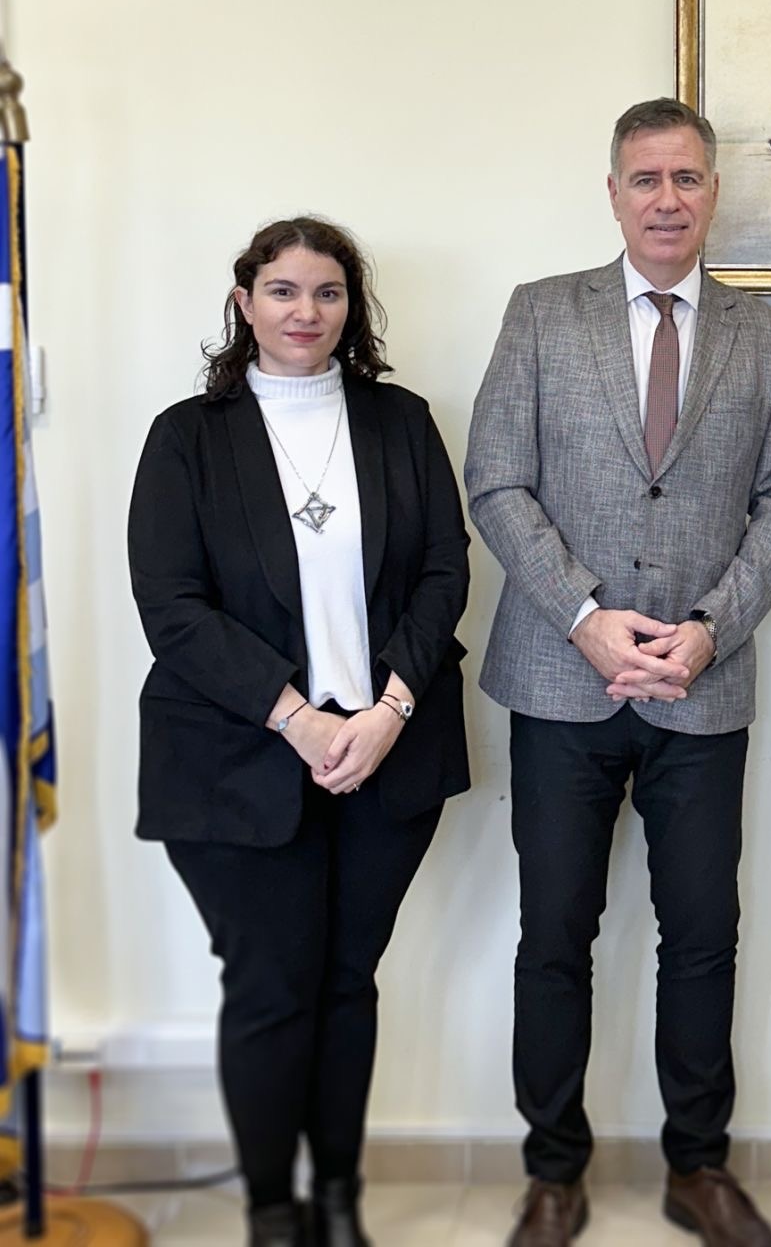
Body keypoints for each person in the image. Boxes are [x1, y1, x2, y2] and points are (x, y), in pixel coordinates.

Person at [465, 98, 771, 1247]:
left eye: (687, 178)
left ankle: (697, 1167)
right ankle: (552, 1172)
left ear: (713, 191)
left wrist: (711, 628)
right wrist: (581, 617)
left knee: (703, 934)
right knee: (554, 934)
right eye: (646, 179)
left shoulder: (767, 336)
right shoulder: (541, 314)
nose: (667, 199)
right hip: (560, 682)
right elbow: (496, 480)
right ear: (613, 193)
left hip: (702, 686)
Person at [128, 218, 471, 1247]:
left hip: (386, 751)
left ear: (350, 307)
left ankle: (338, 1203)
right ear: (244, 303)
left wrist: (386, 711)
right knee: (272, 989)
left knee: (347, 984)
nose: (305, 311)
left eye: (327, 292)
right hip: (236, 759)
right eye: (282, 290)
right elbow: (171, 607)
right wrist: (297, 719)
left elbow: (444, 570)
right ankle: (275, 1214)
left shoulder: (401, 421)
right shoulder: (187, 437)